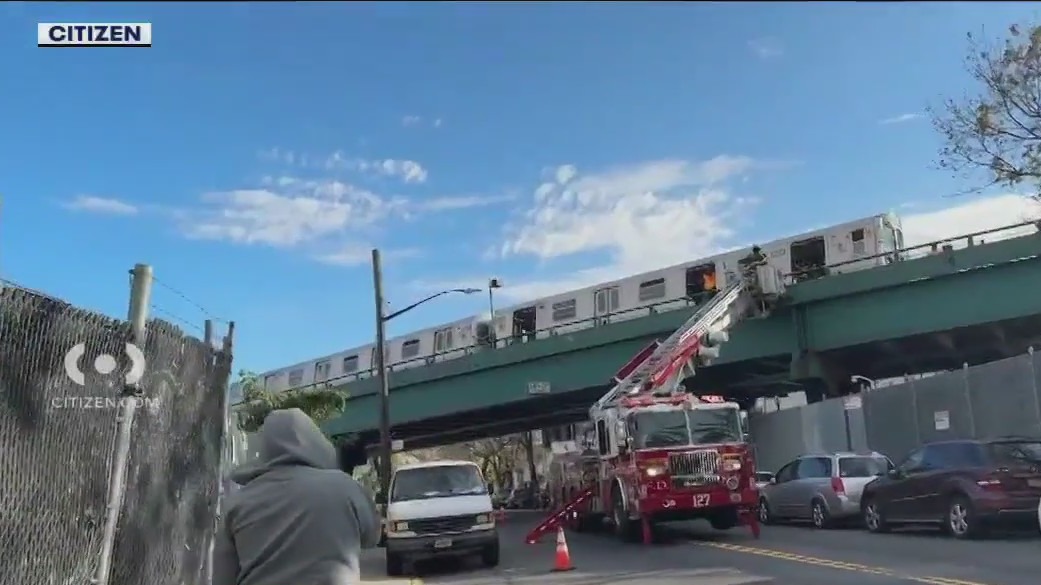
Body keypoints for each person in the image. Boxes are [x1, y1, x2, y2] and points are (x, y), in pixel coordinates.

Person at [213, 408, 382, 585]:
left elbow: (223, 578)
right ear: (316, 443)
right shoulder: (346, 487)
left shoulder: (236, 504)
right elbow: (372, 537)